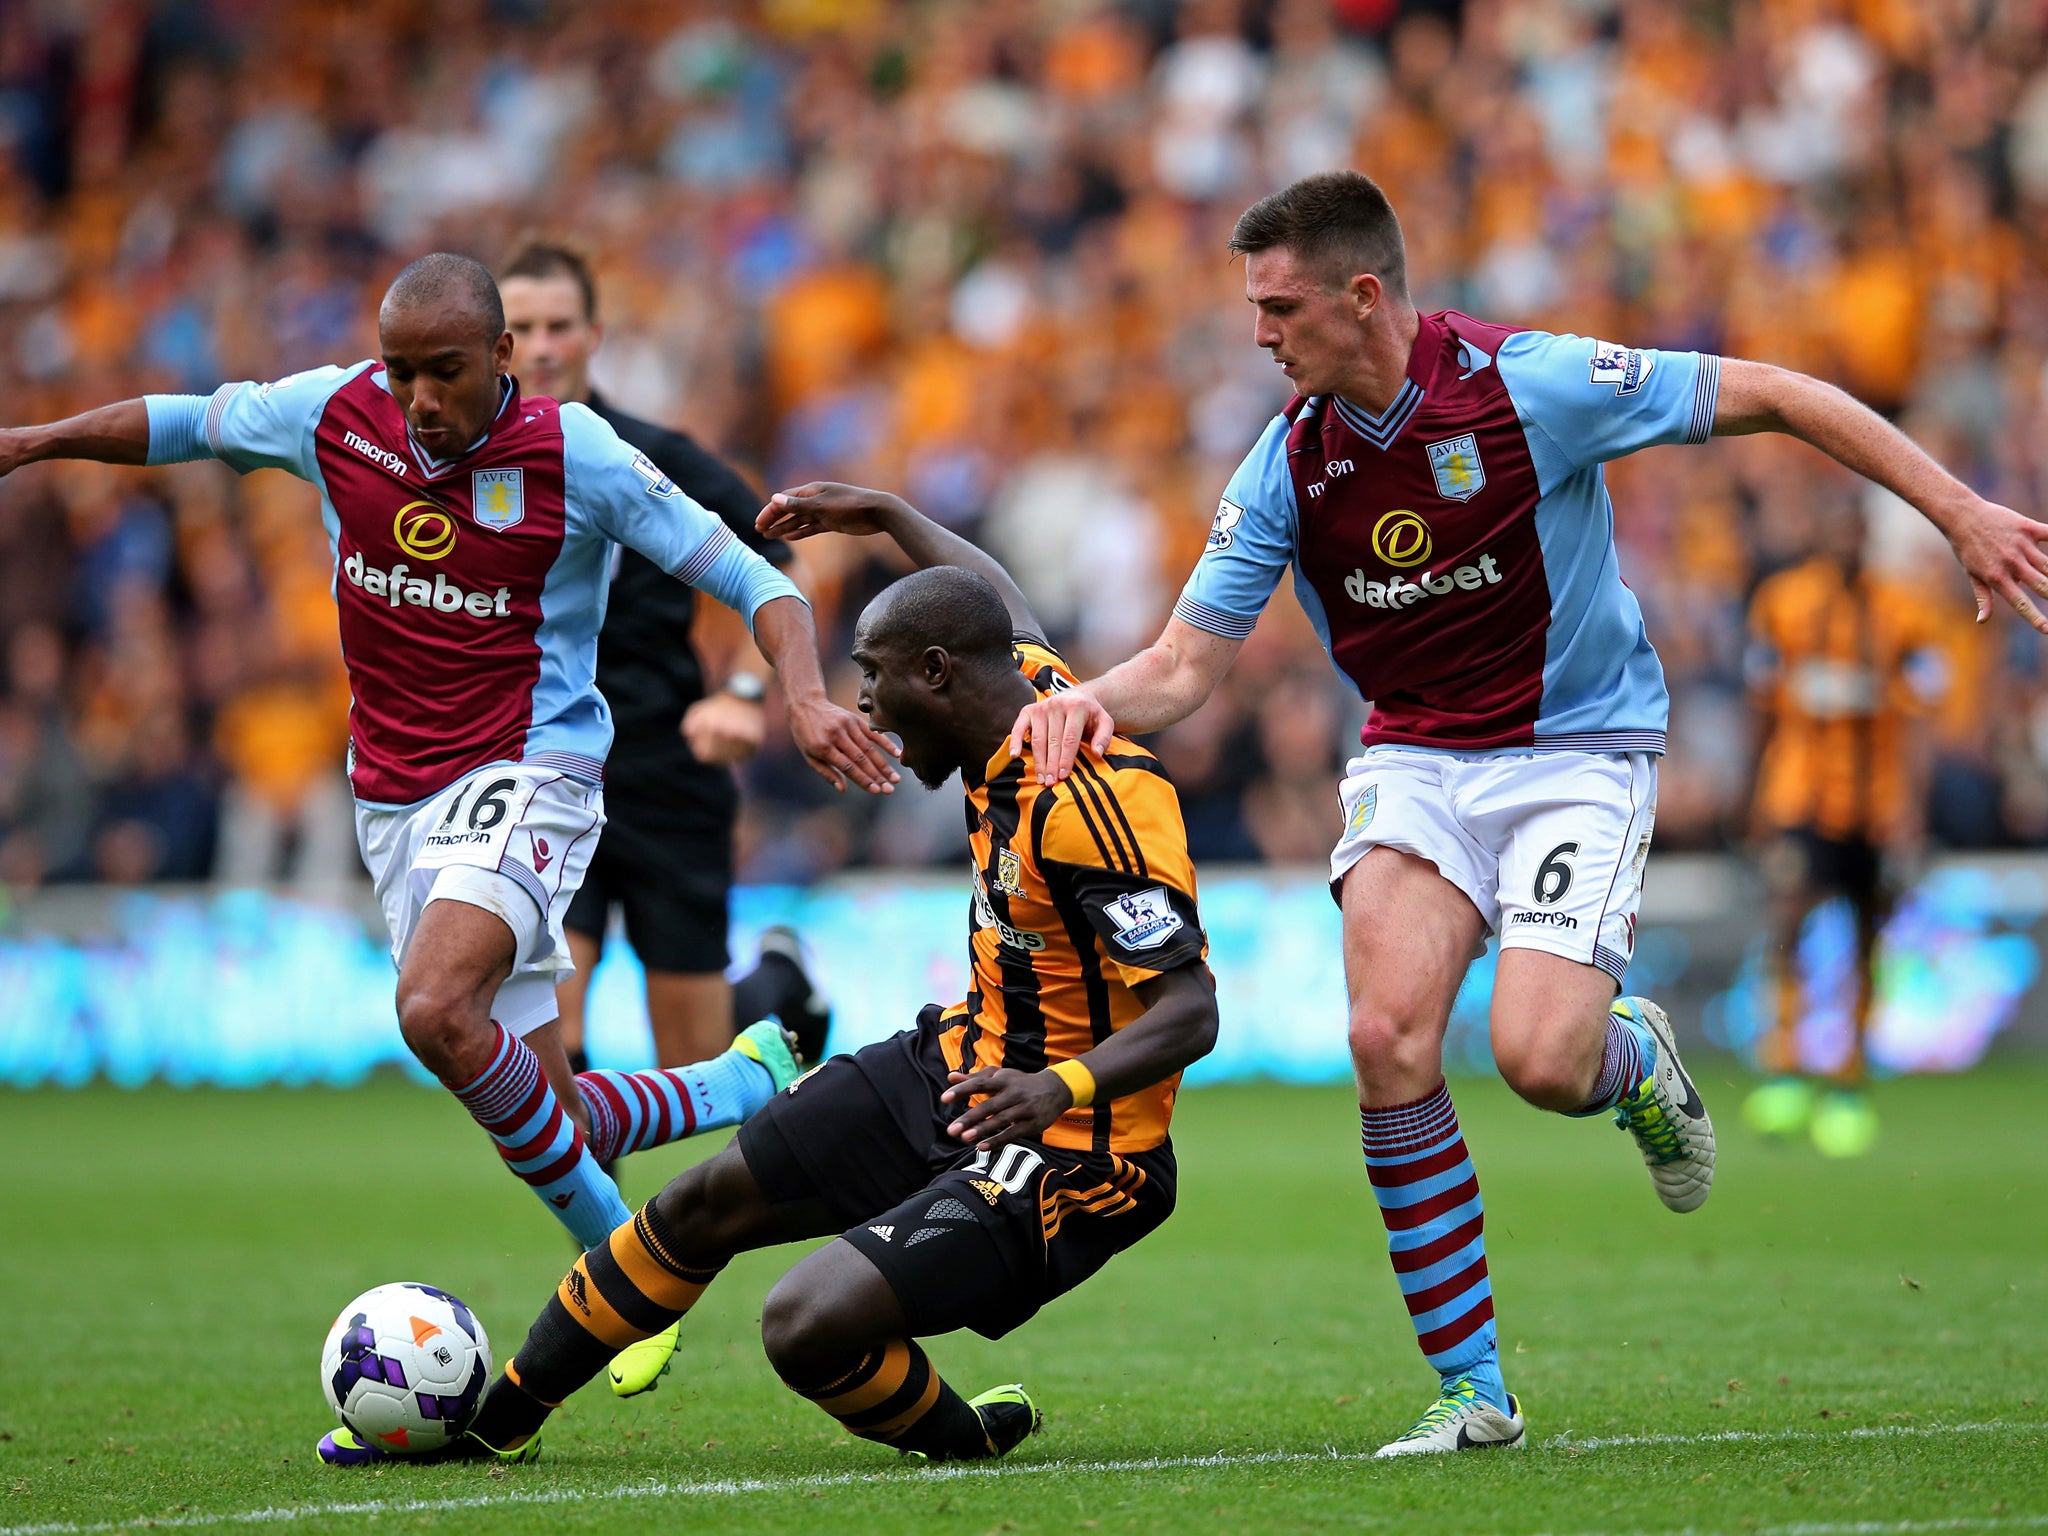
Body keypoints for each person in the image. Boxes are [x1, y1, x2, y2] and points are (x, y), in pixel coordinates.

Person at [1008, 170, 2048, 1456]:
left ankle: (1633, 1063)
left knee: (1542, 1060)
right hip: (1414, 761)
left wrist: (1955, 512)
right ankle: (1473, 1393)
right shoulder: (1287, 457)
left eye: (1279, 307)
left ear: (1362, 294)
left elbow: (1776, 393)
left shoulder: (1530, 383)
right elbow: (1181, 664)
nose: (1259, 334)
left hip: (1574, 750)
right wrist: (1079, 702)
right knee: (1386, 1036)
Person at [0, 253, 901, 1455]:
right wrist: (32, 440)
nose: (420, 397)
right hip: (394, 801)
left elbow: (749, 574)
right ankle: (740, 1084)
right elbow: (182, 425)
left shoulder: (575, 456)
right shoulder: (335, 413)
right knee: (553, 1112)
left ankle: (619, 1264)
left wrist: (794, 691)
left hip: (534, 772)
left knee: (431, 1009)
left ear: (503, 360)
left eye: (446, 371)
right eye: (403, 370)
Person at [448, 483, 1219, 1467]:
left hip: (1073, 1149)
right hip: (955, 1068)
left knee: (804, 1324)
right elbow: (994, 599)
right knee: (695, 1205)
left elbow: (1190, 1011)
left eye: (873, 675)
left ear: (937, 674)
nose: (861, 701)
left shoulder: (1090, 802)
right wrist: (888, 515)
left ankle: (960, 1443)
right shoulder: (1020, 683)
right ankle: (491, 1428)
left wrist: (1049, 1087)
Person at [499, 241, 830, 1074]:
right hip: (542, 771)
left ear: (595, 335)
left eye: (558, 326)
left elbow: (788, 562)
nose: (541, 347)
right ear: (494, 346)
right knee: (550, 1052)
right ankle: (606, 1212)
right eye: (521, 329)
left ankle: (780, 991)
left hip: (665, 764)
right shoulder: (470, 471)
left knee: (695, 1061)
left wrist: (747, 692)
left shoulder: (657, 458)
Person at [1742, 496, 1946, 1157]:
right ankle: (1785, 1067)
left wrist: (1913, 806)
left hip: (1876, 805)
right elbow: (1762, 704)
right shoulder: (1783, 602)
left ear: (1866, 536)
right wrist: (1753, 795)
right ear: (1818, 533)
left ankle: (1849, 1079)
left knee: (1866, 937)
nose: (1845, 539)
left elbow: (1920, 716)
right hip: (1799, 795)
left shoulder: (1902, 610)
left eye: (1855, 529)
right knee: (1789, 921)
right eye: (1834, 526)